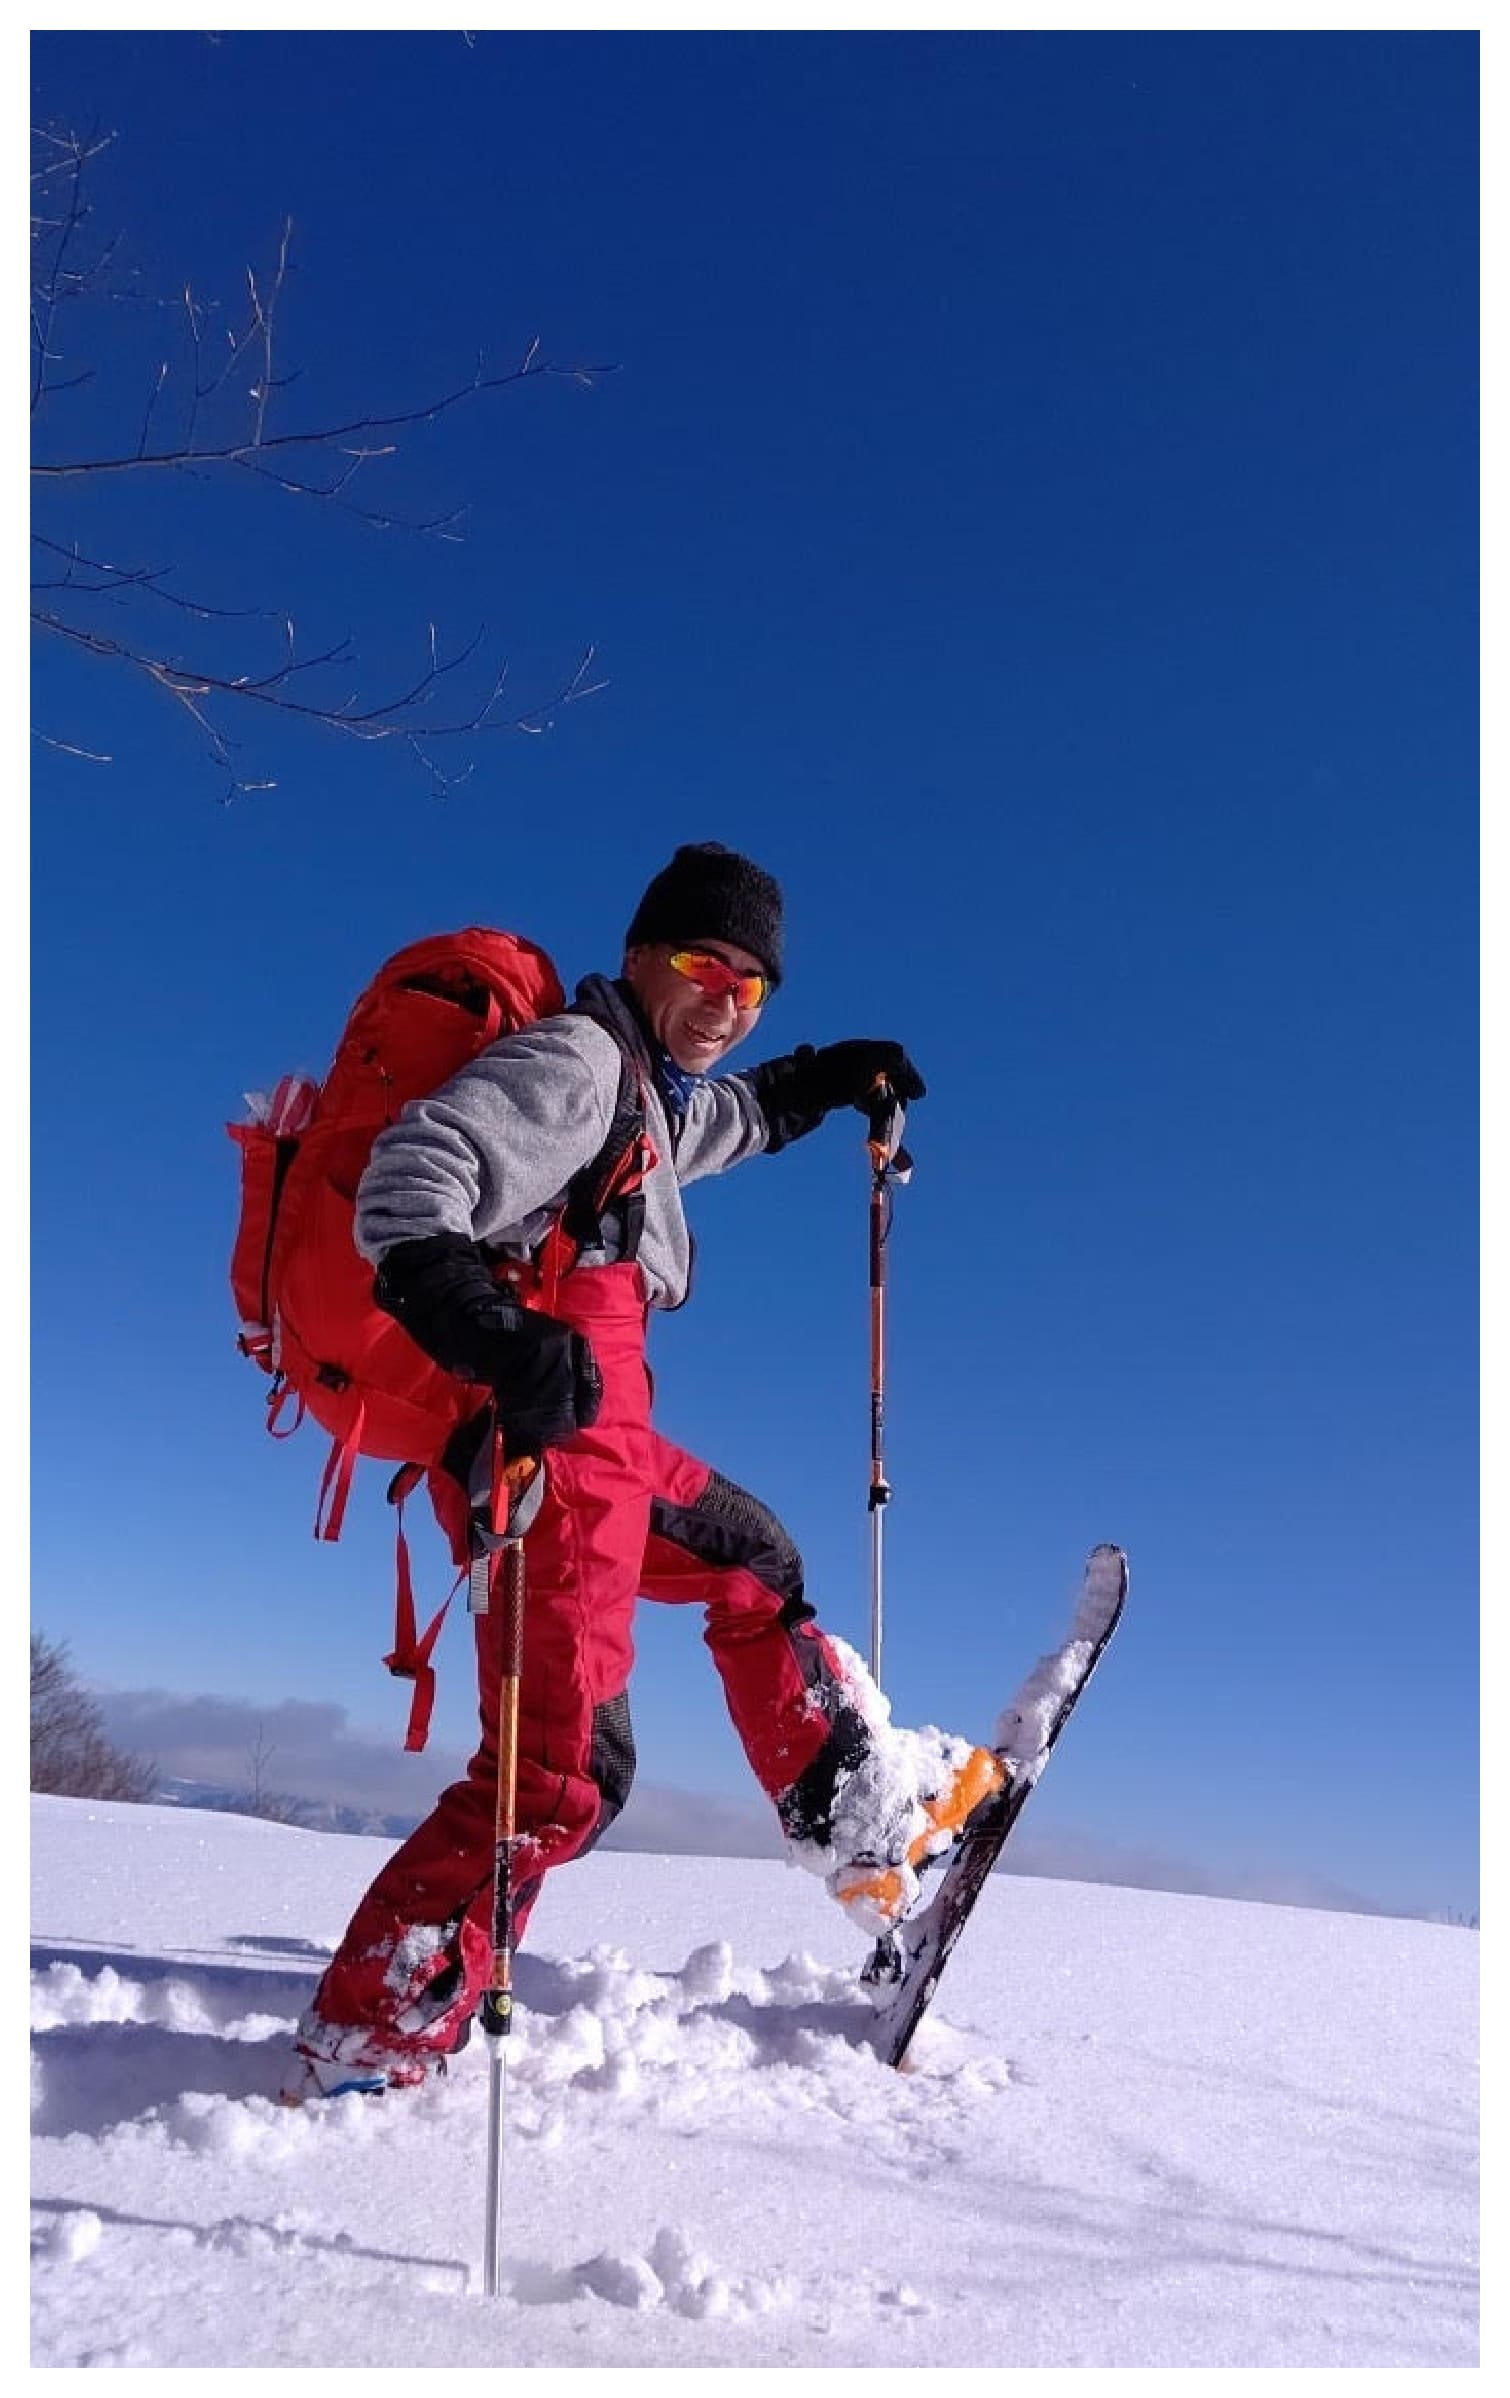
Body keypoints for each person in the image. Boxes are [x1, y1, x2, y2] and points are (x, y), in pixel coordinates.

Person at [282, 842, 1003, 2100]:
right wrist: (486, 1324)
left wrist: (832, 1078)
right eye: (701, 961)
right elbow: (412, 1178)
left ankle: (864, 1827)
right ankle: (371, 2023)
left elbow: (735, 1117)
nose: (726, 995)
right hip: (546, 1452)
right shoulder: (578, 1063)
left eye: (752, 983)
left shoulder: (653, 1095)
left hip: (604, 1444)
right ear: (638, 955)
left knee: (750, 1557)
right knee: (557, 1778)